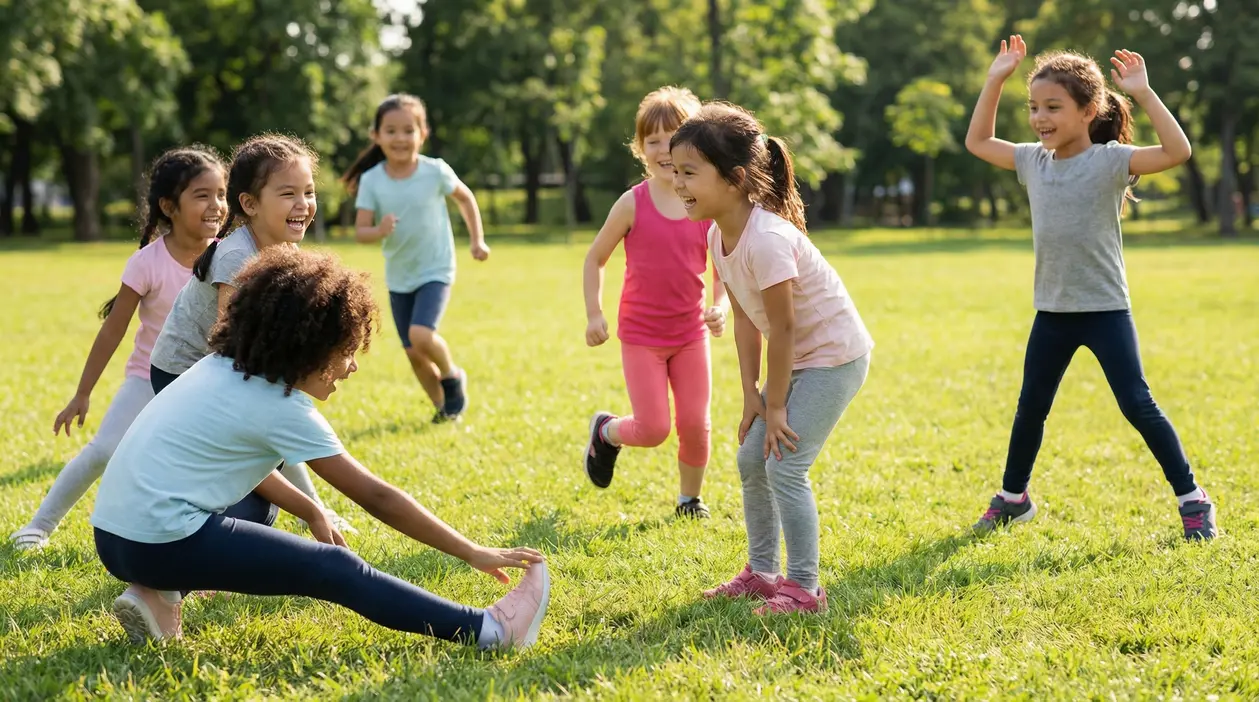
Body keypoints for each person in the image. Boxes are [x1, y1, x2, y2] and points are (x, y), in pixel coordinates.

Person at [92, 247, 550, 649]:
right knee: (334, 568)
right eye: (347, 351)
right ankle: (490, 630)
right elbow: (378, 497)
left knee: (260, 509)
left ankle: (153, 595)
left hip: (114, 540)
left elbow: (233, 468)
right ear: (306, 346)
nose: (351, 367)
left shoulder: (223, 367)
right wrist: (471, 551)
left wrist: (311, 510)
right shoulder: (280, 406)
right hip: (159, 543)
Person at [964, 36, 1215, 540]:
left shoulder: (1110, 161)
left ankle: (1193, 499)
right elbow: (977, 142)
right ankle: (1014, 498)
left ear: (1089, 109)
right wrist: (995, 80)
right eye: (1034, 107)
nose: (1040, 117)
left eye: (1053, 107)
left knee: (1137, 404)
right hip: (1052, 311)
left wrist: (1144, 92)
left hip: (1104, 310)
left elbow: (1177, 151)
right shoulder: (1032, 161)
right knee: (1030, 406)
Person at [670, 103, 873, 614]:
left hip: (834, 357)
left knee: (783, 465)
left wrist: (776, 405)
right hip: (798, 357)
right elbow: (744, 320)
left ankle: (805, 589)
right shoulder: (719, 235)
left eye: (689, 172)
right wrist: (751, 396)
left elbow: (781, 329)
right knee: (749, 458)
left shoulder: (768, 239)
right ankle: (763, 573)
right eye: (674, 172)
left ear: (736, 179)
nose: (677, 183)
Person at [9, 146, 225, 550]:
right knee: (105, 450)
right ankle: (38, 525)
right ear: (168, 206)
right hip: (149, 377)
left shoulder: (228, 257)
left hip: (207, 384)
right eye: (202, 195)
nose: (216, 205)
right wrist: (82, 393)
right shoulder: (147, 263)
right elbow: (113, 331)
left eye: (221, 194)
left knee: (269, 440)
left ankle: (319, 512)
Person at [149, 133, 349, 531]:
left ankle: (311, 511)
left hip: (222, 370)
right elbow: (230, 340)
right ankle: (191, 547)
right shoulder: (238, 256)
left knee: (267, 456)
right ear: (250, 204)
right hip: (184, 370)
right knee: (252, 474)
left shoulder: (286, 251)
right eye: (288, 193)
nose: (303, 204)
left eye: (309, 192)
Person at [581, 87, 727, 519]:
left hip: (690, 336)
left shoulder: (704, 204)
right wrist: (594, 312)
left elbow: (722, 265)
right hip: (642, 337)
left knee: (696, 426)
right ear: (640, 148)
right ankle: (607, 432)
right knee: (653, 428)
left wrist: (720, 305)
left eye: (675, 138)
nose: (665, 150)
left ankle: (689, 500)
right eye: (653, 141)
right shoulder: (633, 203)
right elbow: (595, 257)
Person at [343, 94, 488, 423]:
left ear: (423, 134)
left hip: (435, 269)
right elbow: (360, 232)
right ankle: (445, 410)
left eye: (409, 130)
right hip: (399, 275)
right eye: (391, 131)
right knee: (413, 352)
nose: (400, 138)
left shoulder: (435, 171)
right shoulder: (372, 180)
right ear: (376, 136)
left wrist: (477, 240)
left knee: (422, 336)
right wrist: (379, 230)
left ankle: (452, 376)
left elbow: (465, 198)